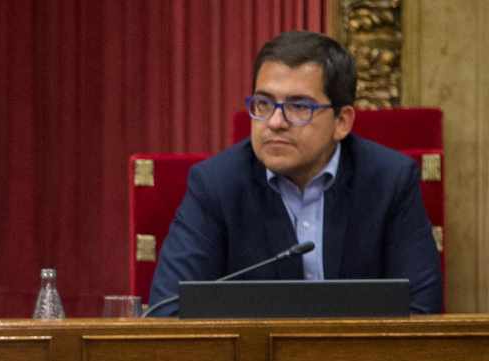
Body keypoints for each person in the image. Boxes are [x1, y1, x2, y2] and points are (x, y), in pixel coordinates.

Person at [148, 30, 442, 315]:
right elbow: (170, 311)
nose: (275, 122)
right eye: (263, 104)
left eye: (299, 106)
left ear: (342, 121)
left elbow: (420, 312)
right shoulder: (216, 185)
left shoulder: (389, 181)